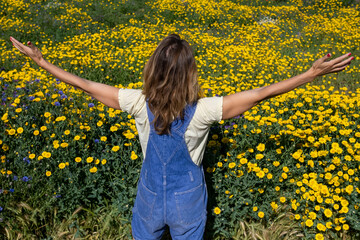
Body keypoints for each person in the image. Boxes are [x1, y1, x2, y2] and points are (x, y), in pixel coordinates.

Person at [10, 34, 353, 239]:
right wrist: (309, 74)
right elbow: (261, 93)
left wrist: (41, 62)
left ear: (152, 68)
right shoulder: (203, 111)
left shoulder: (137, 102)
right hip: (187, 201)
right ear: (190, 73)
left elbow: (83, 85)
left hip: (148, 199)